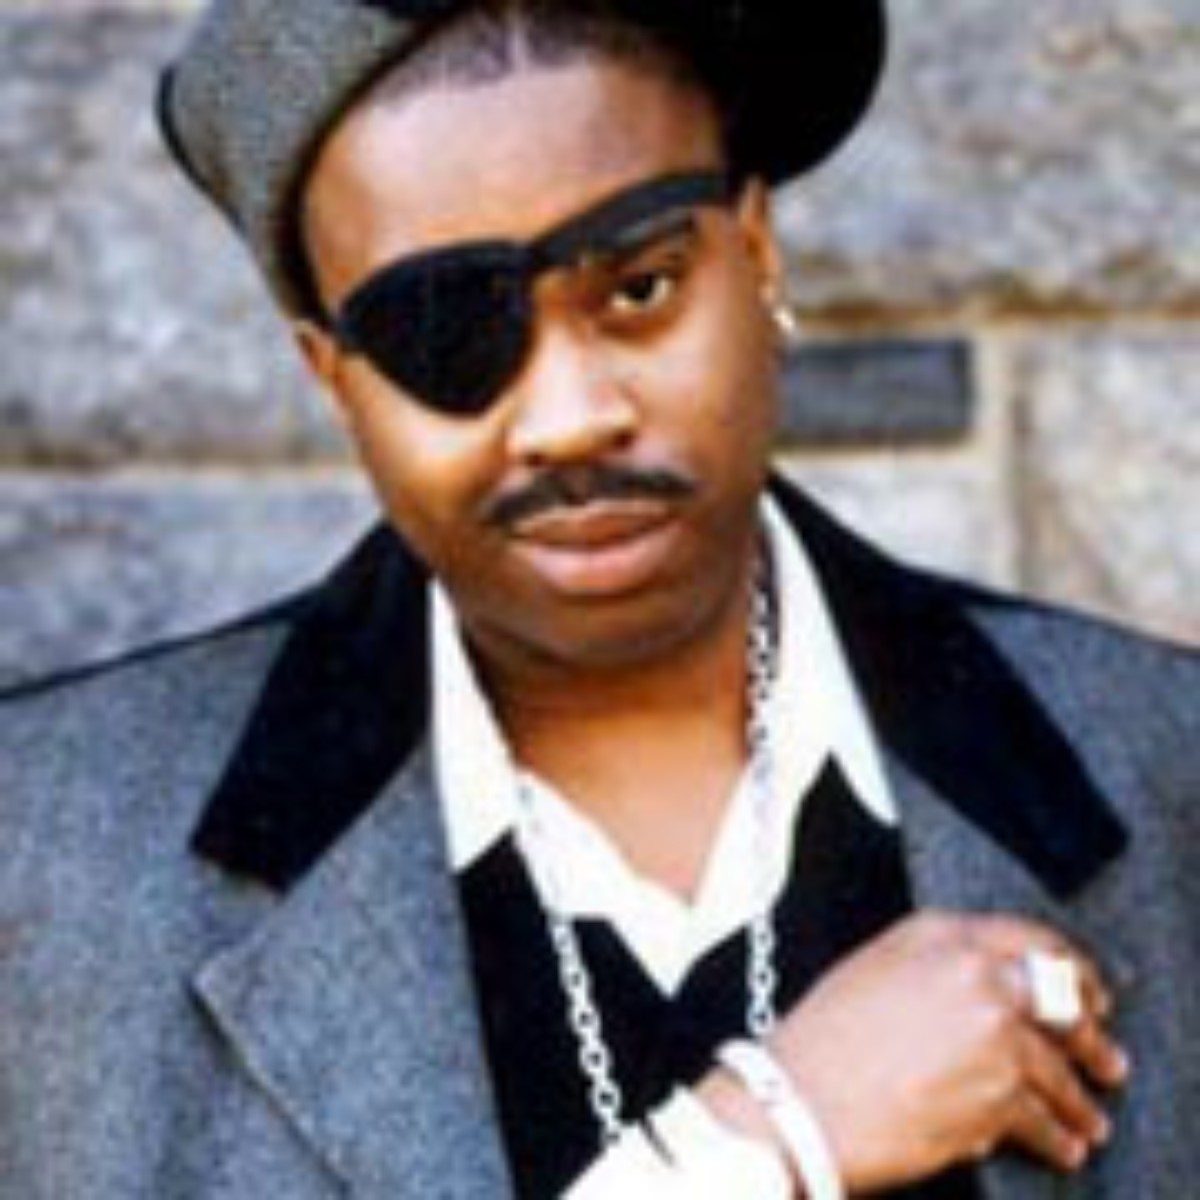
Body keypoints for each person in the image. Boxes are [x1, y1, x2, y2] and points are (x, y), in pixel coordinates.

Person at [0, 0, 1195, 1196]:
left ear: (758, 254)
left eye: (641, 289)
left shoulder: (1166, 766)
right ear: (335, 380)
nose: (571, 418)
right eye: (445, 333)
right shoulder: (45, 866)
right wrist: (764, 1142)